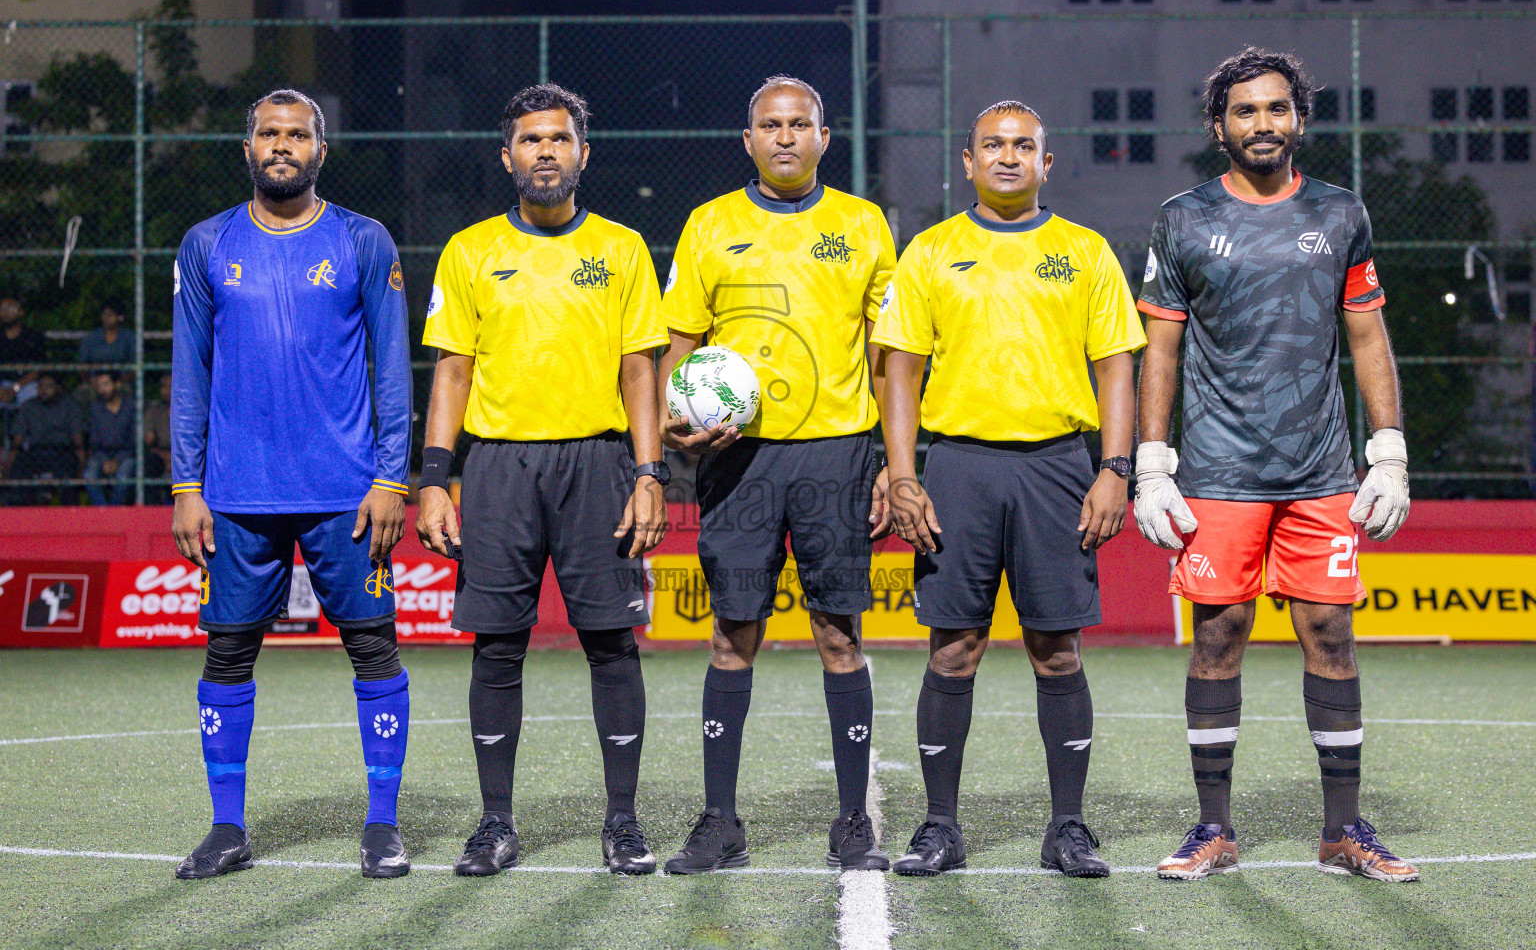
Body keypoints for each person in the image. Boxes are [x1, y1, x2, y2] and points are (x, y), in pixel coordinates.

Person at [1135, 48, 1417, 882]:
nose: (1264, 124)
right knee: (1218, 635)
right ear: (1218, 126)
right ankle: (1212, 830)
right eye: (1246, 111)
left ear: (1300, 119)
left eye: (1278, 109)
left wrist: (1388, 452)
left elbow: (1366, 334)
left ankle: (1343, 833)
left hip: (1322, 471)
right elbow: (1161, 345)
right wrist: (1154, 462)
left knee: (1330, 633)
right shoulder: (1182, 218)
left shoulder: (1341, 214)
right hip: (1220, 472)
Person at [872, 101, 1144, 878]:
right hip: (957, 465)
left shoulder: (1084, 252)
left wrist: (1114, 467)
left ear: (1046, 163)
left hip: (1059, 467)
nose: (1008, 156)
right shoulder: (930, 252)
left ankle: (1067, 828)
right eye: (993, 145)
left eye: (1025, 145)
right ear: (968, 162)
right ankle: (940, 828)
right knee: (954, 649)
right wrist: (901, 474)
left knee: (1057, 650)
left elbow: (1115, 366)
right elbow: (901, 371)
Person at [415, 83, 669, 877]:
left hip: (598, 463)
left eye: (560, 139)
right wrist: (432, 479)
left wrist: (651, 473)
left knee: (610, 644)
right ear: (508, 157)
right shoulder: (469, 251)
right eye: (530, 140)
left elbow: (641, 371)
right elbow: (451, 372)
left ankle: (622, 821)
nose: (546, 152)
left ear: (583, 154)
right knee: (497, 646)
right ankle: (495, 824)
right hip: (496, 467)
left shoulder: (623, 249)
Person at [170, 89, 414, 880]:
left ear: (321, 149)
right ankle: (227, 826)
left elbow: (392, 370)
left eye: (299, 134)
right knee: (229, 653)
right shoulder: (206, 245)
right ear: (247, 149)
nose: (283, 146)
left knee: (372, 647)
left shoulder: (363, 240)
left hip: (347, 492)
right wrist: (185, 484)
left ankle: (382, 826)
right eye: (269, 134)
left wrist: (391, 478)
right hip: (237, 492)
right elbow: (189, 374)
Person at [658, 76, 896, 874]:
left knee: (839, 631)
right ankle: (720, 822)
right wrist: (676, 424)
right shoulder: (709, 224)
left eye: (801, 124)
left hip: (837, 449)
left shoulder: (863, 226)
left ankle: (852, 822)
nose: (787, 136)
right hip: (737, 456)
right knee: (733, 633)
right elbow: (682, 343)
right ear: (749, 139)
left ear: (825, 138)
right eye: (771, 124)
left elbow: (886, 355)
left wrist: (893, 463)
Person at [5, 373, 85, 505]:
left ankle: (70, 516)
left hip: (62, 452)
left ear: (58, 388)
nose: (43, 391)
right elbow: (17, 441)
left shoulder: (71, 405)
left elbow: (78, 441)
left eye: (48, 387)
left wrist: (81, 467)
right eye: (40, 386)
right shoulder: (29, 406)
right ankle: (23, 515)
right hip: (36, 452)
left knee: (68, 474)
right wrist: (9, 467)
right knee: (19, 469)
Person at [83, 371, 136, 506]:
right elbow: (93, 441)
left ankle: (113, 512)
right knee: (89, 477)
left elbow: (134, 441)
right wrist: (105, 460)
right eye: (99, 386)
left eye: (106, 384)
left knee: (123, 478)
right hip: (102, 455)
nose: (102, 390)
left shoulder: (131, 406)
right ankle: (104, 512)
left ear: (117, 384)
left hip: (126, 455)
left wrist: (117, 461)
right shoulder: (95, 408)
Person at [0, 295, 45, 409]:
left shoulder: (32, 337)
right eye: (2, 309)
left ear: (21, 312)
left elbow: (37, 369)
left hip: (25, 384)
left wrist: (14, 388)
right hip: (2, 383)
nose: (4, 313)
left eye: (9, 308)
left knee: (32, 397)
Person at [143, 373, 173, 500]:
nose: (166, 391)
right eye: (163, 387)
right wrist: (165, 458)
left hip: (185, 456)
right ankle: (153, 507)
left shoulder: (190, 409)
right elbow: (149, 441)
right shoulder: (154, 410)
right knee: (150, 462)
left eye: (170, 386)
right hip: (160, 455)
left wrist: (175, 459)